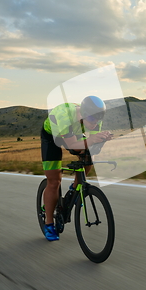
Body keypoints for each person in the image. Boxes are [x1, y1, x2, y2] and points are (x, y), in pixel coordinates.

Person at [40, 95, 113, 241]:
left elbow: (90, 148)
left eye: (99, 119)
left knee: (87, 159)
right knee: (54, 181)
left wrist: (101, 140)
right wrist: (91, 139)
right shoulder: (64, 116)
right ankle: (48, 223)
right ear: (83, 114)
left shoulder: (94, 120)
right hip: (51, 137)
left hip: (73, 133)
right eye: (92, 119)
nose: (95, 123)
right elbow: (73, 145)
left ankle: (74, 187)